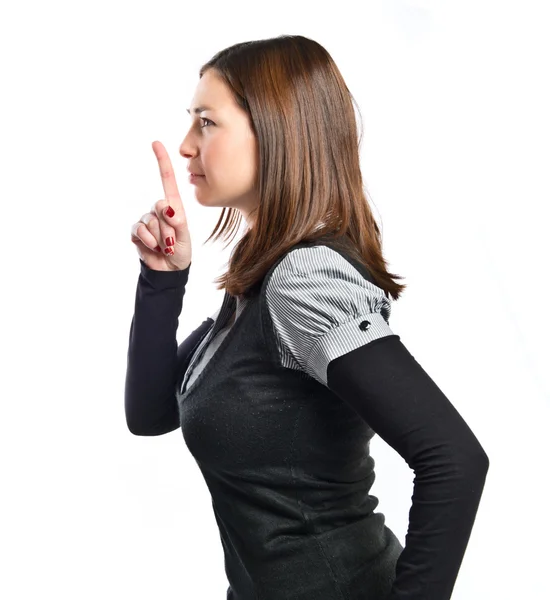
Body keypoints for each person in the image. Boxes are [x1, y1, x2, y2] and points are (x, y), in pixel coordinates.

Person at [126, 35, 489, 600]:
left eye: (206, 122)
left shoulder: (304, 280)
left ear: (274, 130)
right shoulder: (259, 276)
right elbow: (150, 412)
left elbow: (454, 459)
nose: (186, 146)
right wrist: (162, 279)